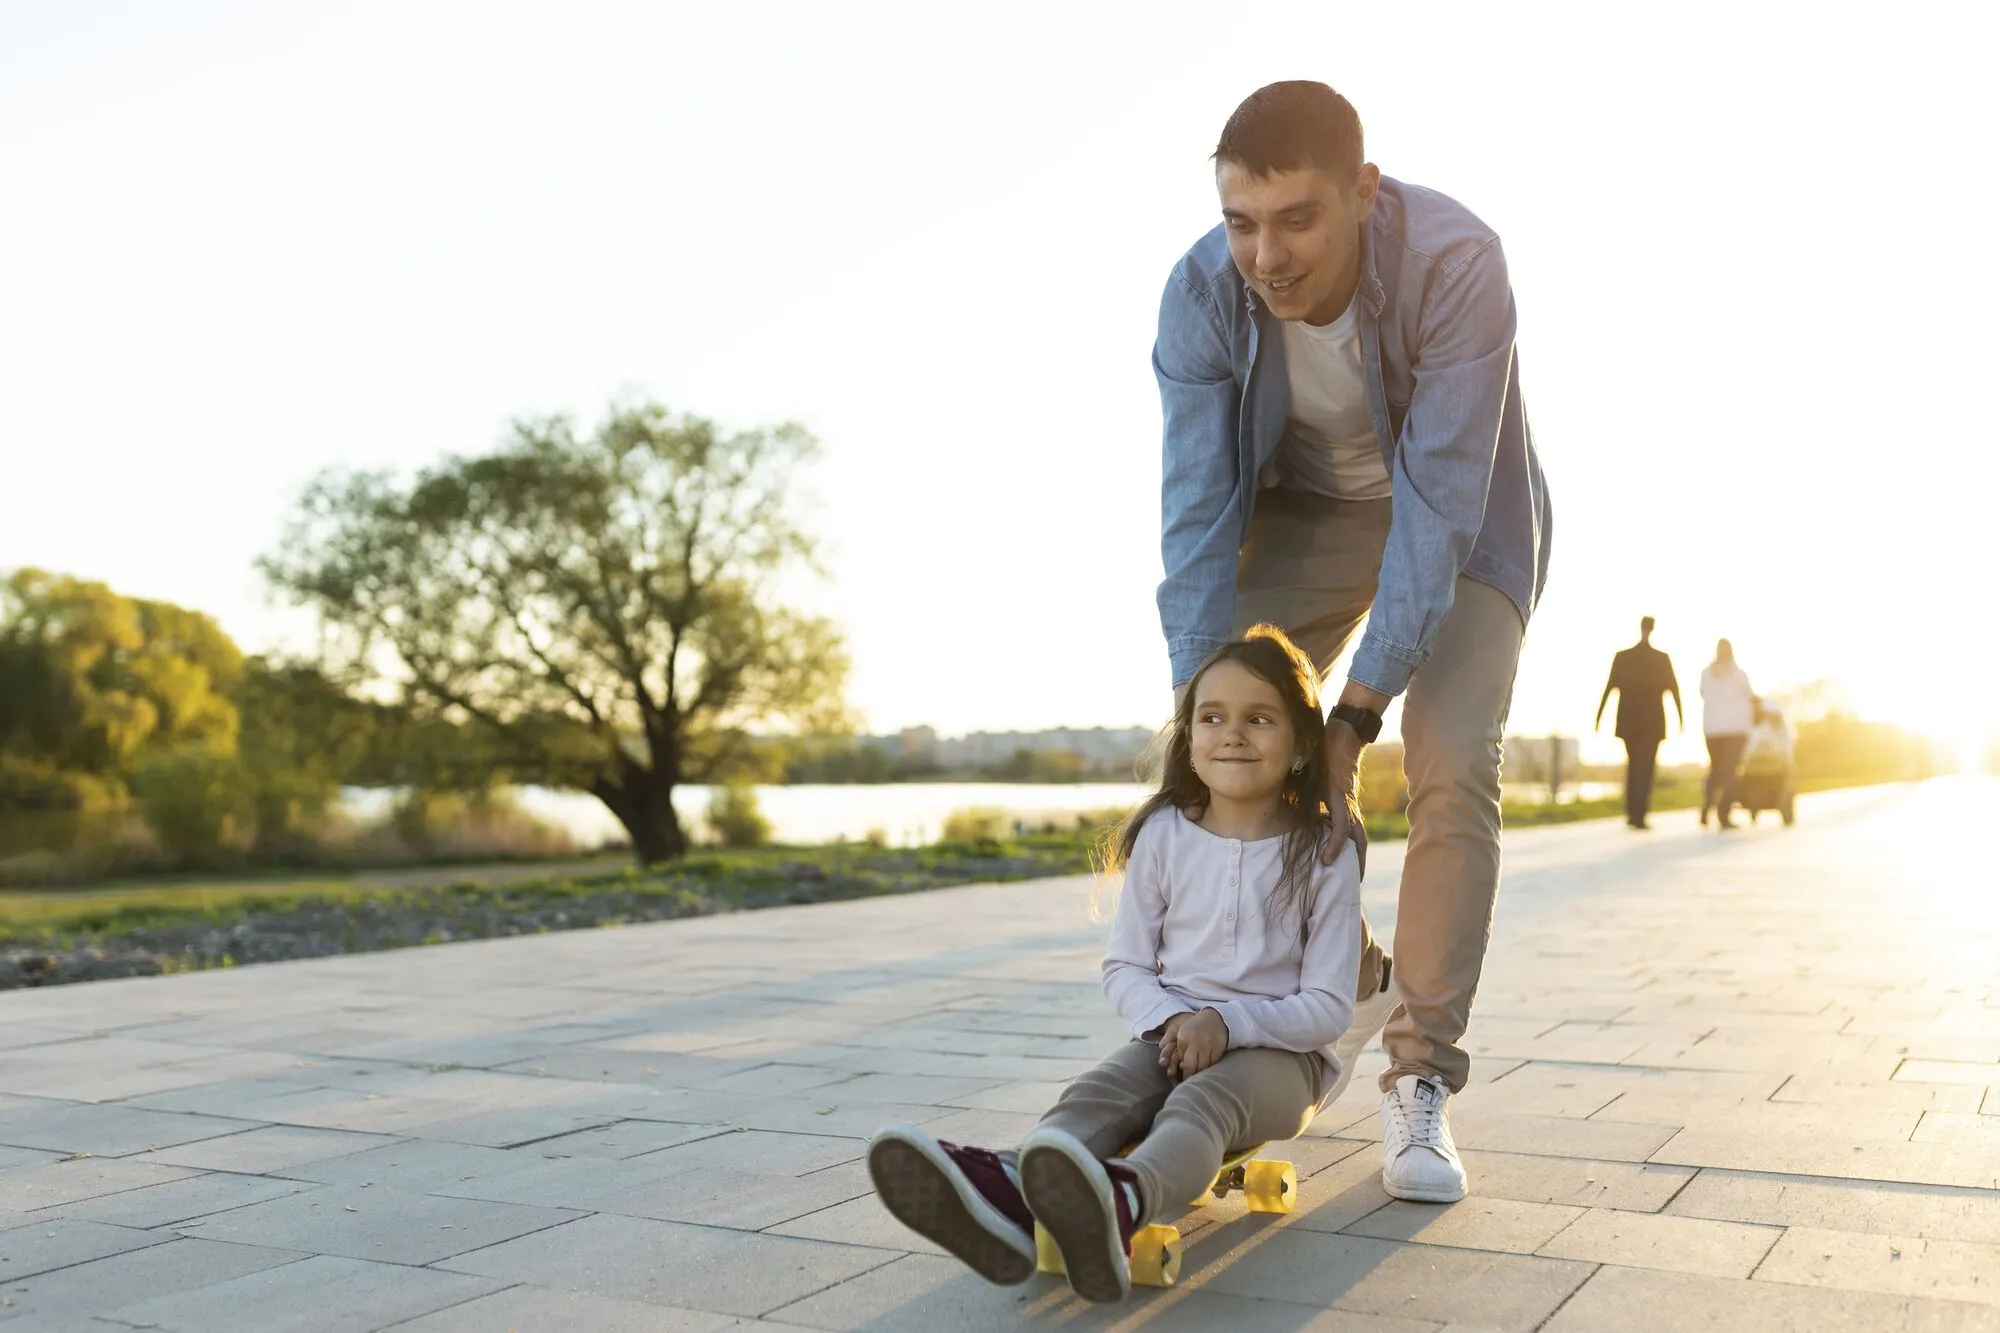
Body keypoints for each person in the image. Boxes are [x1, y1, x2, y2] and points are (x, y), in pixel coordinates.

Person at [1151, 80, 1553, 1206]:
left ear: (1362, 194)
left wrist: (1357, 715)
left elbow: (1436, 506)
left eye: (1295, 220)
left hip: (1463, 519)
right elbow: (1195, 519)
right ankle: (1343, 974)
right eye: (1240, 222)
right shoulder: (1198, 295)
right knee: (1236, 744)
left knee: (1450, 753)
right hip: (1306, 517)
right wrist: (1203, 714)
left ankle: (1417, 1072)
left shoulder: (1454, 262)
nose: (1263, 257)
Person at [867, 628, 1363, 1304]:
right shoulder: (1163, 832)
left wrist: (1227, 1021)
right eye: (1211, 716)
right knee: (1097, 1095)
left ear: (1303, 743)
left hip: (1285, 1058)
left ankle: (1122, 1203)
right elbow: (1125, 964)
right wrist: (1178, 1019)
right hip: (1171, 1034)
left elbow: (1329, 1006)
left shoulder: (1323, 853)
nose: (1232, 734)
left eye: (1260, 718)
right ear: (1188, 736)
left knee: (1199, 1104)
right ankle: (1009, 1194)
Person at [1595, 617, 1682, 828]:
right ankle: (1639, 813)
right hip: (1651, 724)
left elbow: (1609, 688)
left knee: (1634, 766)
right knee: (1645, 768)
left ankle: (1633, 813)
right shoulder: (1660, 659)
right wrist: (1681, 719)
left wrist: (1598, 718)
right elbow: (1675, 690)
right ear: (1652, 629)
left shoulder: (1624, 657)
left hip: (1629, 722)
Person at [1698, 639, 1754, 829]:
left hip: (1712, 729)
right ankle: (1723, 814)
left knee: (1715, 770)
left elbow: (1703, 694)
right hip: (1735, 730)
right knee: (1730, 772)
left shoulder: (1707, 673)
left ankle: (1706, 808)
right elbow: (1749, 696)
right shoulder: (1738, 675)